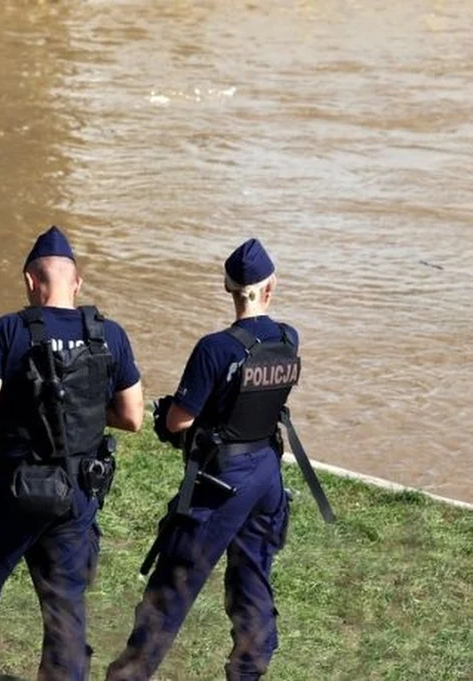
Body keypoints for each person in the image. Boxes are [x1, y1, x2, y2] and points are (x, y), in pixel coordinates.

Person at [105, 238, 331, 681]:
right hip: (267, 474)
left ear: (227, 287)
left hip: (222, 482)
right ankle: (248, 671)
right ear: (271, 287)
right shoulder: (289, 338)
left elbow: (177, 421)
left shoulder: (216, 348)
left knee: (173, 586)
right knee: (252, 583)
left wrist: (177, 411)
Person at [0, 225, 144, 681]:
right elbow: (132, 417)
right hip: (76, 496)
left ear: (30, 281)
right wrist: (76, 412)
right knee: (65, 607)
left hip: (13, 491)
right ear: (77, 281)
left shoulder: (10, 330)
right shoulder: (111, 335)